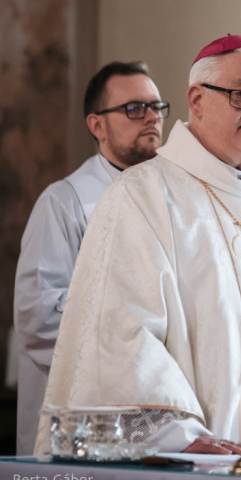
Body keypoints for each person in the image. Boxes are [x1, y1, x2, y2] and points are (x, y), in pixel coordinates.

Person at [34, 35, 241, 456]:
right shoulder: (142, 196)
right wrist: (180, 437)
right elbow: (121, 335)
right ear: (196, 100)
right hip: (200, 462)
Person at [14, 61, 169, 455]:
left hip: (160, 407)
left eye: (156, 107)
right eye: (134, 108)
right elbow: (39, 315)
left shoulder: (172, 200)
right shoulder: (65, 203)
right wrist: (132, 346)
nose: (152, 117)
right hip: (83, 417)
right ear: (97, 125)